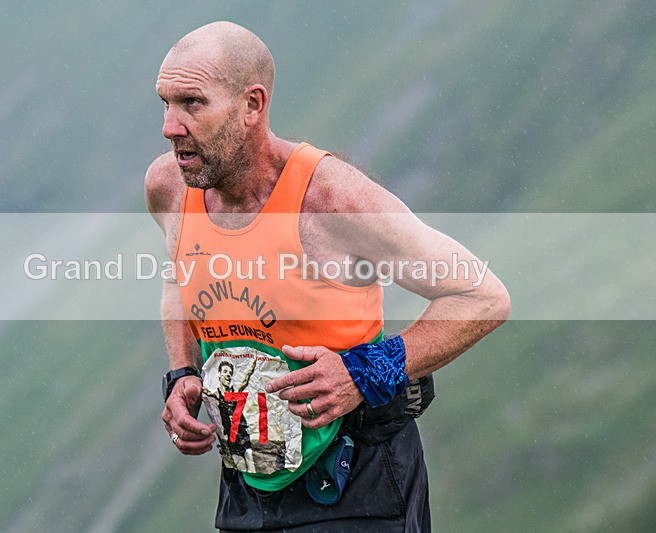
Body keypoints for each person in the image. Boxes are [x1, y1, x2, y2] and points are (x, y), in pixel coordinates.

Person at [146, 21, 511, 532]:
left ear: (253, 105)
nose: (169, 126)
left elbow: (481, 295)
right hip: (248, 490)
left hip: (361, 484)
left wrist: (363, 371)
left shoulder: (331, 201)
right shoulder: (169, 185)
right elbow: (176, 277)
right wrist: (182, 373)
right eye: (165, 103)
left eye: (192, 103)